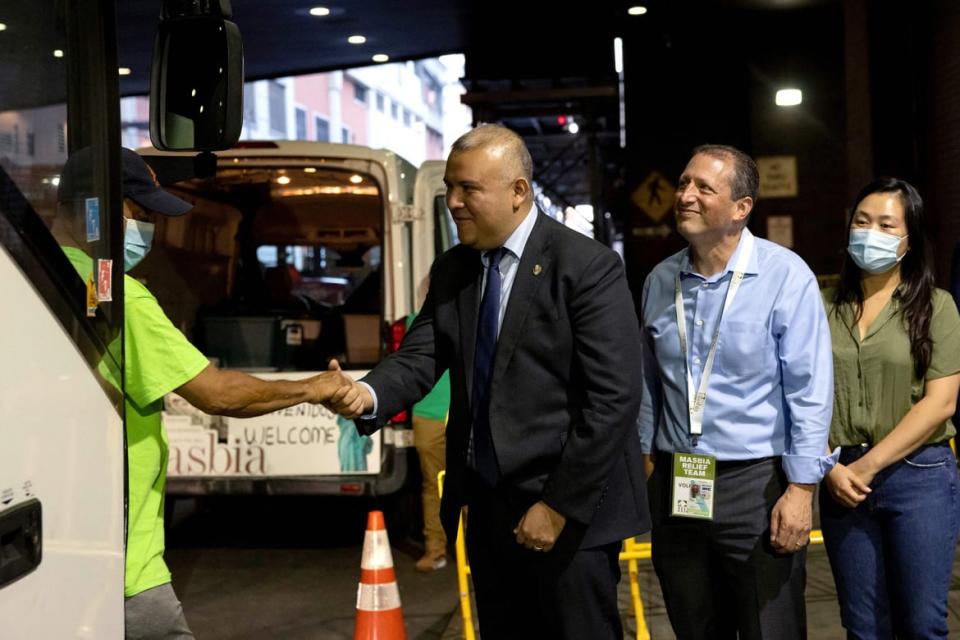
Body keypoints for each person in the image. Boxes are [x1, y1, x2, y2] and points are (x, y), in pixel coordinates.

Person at [325, 124, 648, 638]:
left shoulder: (586, 267)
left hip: (568, 511)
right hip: (489, 511)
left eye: (468, 189)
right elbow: (419, 356)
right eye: (450, 187)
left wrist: (558, 506)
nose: (453, 202)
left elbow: (612, 401)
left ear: (519, 191)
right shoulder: (456, 269)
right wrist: (364, 394)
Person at [54, 147, 345, 640]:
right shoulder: (116, 295)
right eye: (140, 215)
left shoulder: (39, 274)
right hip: (127, 567)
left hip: (67, 544)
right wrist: (314, 387)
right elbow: (219, 394)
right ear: (96, 208)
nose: (148, 230)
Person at [638, 144, 834, 639]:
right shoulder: (661, 280)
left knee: (770, 625)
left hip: (756, 484)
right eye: (684, 183)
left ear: (741, 208)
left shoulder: (785, 275)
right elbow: (648, 382)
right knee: (694, 622)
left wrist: (801, 488)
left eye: (704, 187)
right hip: (681, 480)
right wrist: (643, 460)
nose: (686, 195)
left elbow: (809, 390)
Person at [820, 177, 960, 638]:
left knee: (922, 625)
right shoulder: (820, 305)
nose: (870, 233)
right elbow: (802, 392)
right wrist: (830, 465)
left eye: (885, 224)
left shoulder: (936, 307)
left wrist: (867, 466)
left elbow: (940, 403)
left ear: (909, 238)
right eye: (862, 221)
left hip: (919, 477)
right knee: (864, 628)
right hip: (841, 479)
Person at [407, 275, 452, 572]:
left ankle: (479, 551)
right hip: (429, 414)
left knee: (478, 483)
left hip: (468, 411)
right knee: (433, 485)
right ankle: (436, 550)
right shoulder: (414, 322)